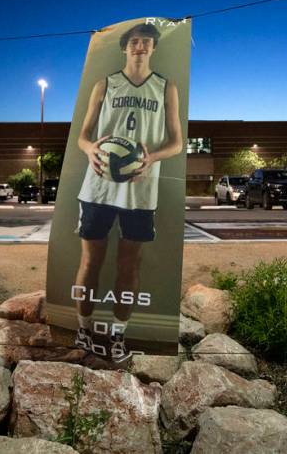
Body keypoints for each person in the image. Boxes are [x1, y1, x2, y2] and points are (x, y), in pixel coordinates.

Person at [73, 22, 182, 361]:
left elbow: (176, 143)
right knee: (91, 261)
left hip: (140, 190)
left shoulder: (166, 87)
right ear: (125, 47)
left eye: (146, 42)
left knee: (129, 265)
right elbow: (83, 136)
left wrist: (151, 158)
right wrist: (90, 149)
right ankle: (83, 328)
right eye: (134, 41)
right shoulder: (104, 84)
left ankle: (119, 334)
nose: (140, 46)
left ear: (153, 47)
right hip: (98, 188)